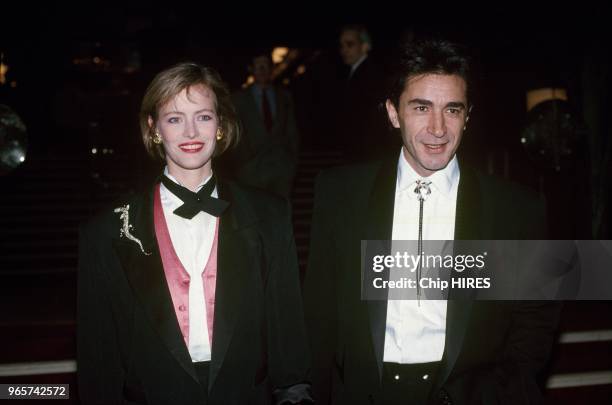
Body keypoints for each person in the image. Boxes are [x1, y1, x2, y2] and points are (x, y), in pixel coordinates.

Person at [304, 39, 561, 404]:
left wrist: (498, 392)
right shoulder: (340, 195)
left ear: (467, 116)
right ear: (394, 113)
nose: (438, 128)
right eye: (421, 108)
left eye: (452, 110)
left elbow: (535, 319)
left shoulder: (516, 209)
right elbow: (319, 313)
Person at [78, 62, 312, 405]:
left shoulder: (269, 216)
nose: (190, 132)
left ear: (221, 125)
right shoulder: (106, 232)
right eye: (174, 119)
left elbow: (288, 338)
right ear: (154, 128)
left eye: (203, 116)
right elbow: (98, 358)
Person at [225, 52, 299, 198]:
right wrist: (242, 162)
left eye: (266, 66)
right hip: (250, 169)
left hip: (281, 168)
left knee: (281, 214)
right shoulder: (238, 99)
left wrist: (293, 162)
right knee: (255, 215)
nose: (263, 70)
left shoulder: (284, 96)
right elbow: (233, 132)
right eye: (259, 66)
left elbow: (292, 131)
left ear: (271, 68)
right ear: (251, 69)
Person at [335, 25, 396, 161]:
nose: (344, 50)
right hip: (360, 150)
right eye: (341, 45)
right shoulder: (356, 72)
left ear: (365, 46)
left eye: (350, 44)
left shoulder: (370, 74)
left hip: (366, 152)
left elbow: (368, 120)